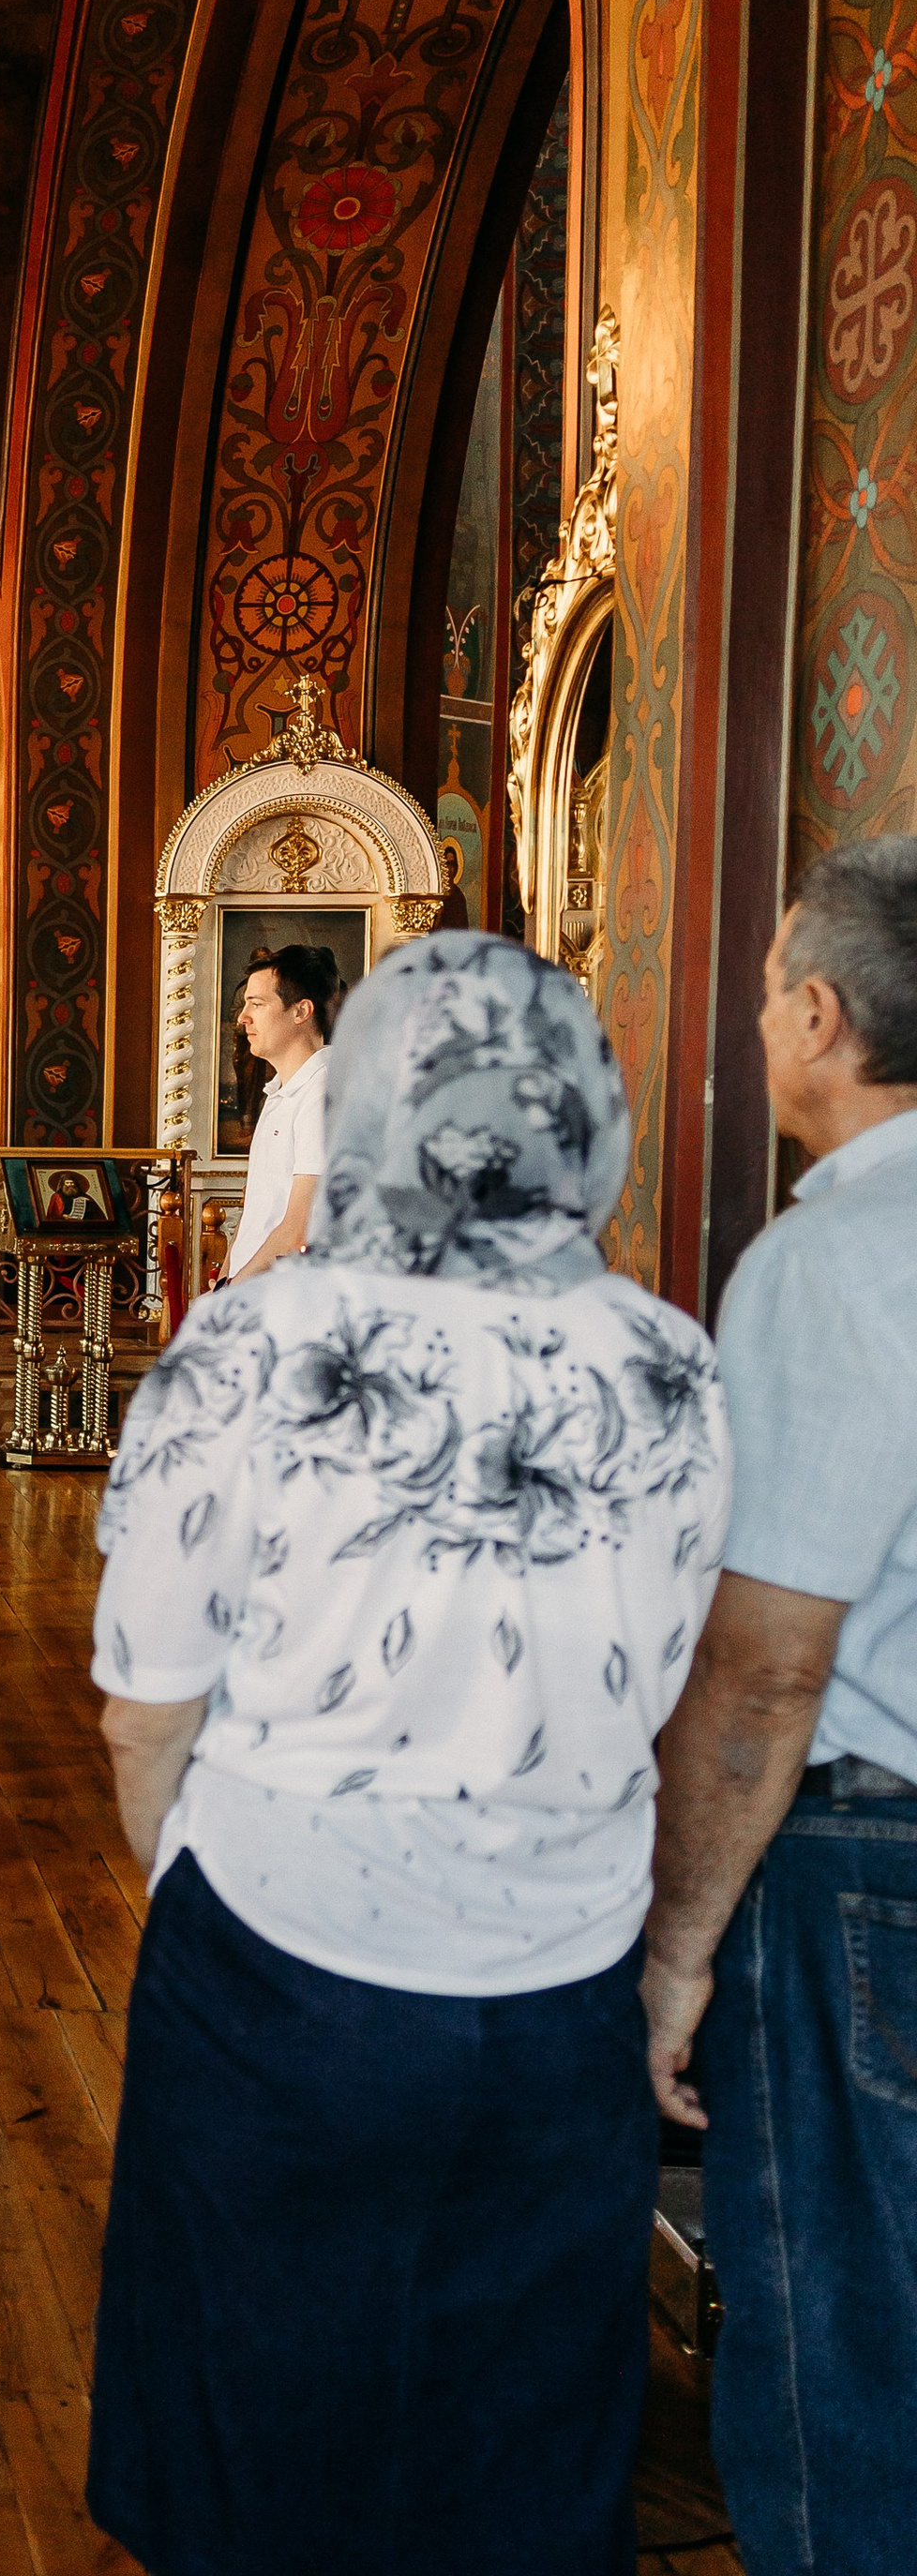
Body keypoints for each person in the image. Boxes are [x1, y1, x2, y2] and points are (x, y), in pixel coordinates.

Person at [87, 931, 729, 2576]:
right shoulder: (669, 1362)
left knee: (250, 2412)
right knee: (516, 2434)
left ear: (371, 1100)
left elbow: (149, 1702)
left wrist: (189, 1872)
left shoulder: (249, 1347)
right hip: (563, 1976)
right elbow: (671, 1680)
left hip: (277, 1957)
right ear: (582, 1109)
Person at [643, 838, 917, 2572]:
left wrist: (677, 1946)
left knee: (849, 2358)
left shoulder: (836, 1262)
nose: (756, 1025)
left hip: (869, 1872)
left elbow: (767, 1660)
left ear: (818, 1014)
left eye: (760, 994)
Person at [225, 940, 337, 1278]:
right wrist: (224, 1279)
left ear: (301, 1012)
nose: (243, 1017)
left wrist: (232, 1294)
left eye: (257, 1004)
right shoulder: (279, 1092)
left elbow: (299, 1227)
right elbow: (256, 1216)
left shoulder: (323, 1094)